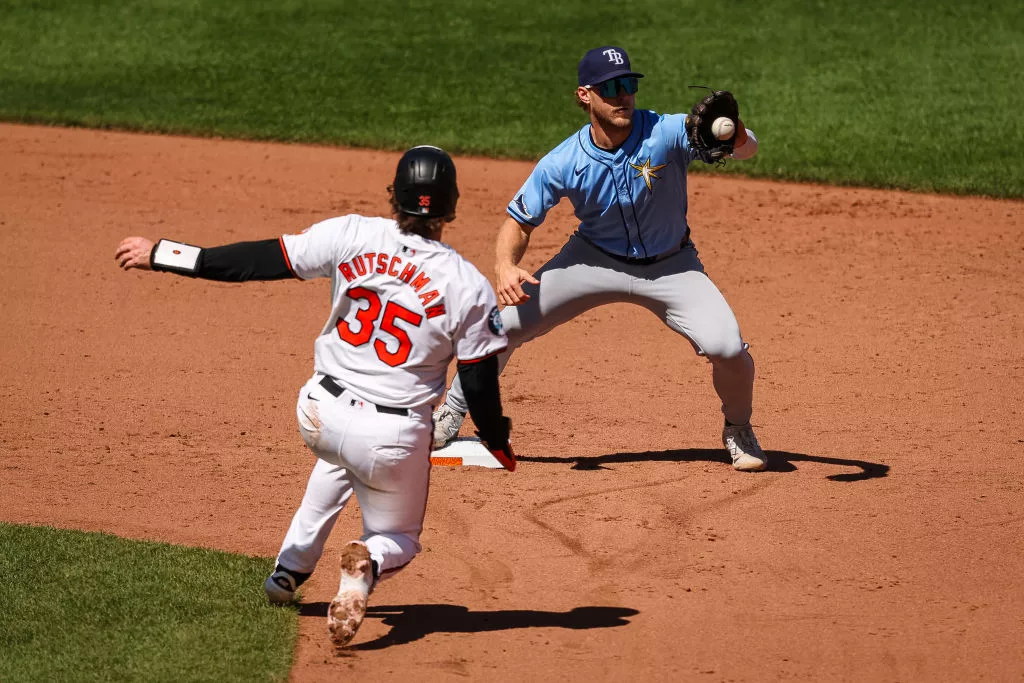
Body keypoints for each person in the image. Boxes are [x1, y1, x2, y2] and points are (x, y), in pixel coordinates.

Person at [115, 146, 516, 648]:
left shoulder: (351, 233)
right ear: (451, 208)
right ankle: (366, 564)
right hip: (392, 436)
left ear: (394, 198)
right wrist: (497, 440)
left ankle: (288, 572)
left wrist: (165, 253)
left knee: (340, 459)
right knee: (400, 537)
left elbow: (259, 260)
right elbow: (478, 383)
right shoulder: (468, 285)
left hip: (318, 413)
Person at [432, 46, 768, 472]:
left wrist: (735, 131)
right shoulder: (564, 161)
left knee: (727, 348)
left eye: (628, 85)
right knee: (504, 326)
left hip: (672, 265)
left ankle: (737, 427)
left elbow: (745, 150)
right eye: (610, 88)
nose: (622, 95)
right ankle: (452, 410)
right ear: (584, 95)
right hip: (593, 260)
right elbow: (518, 222)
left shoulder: (664, 132)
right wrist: (504, 265)